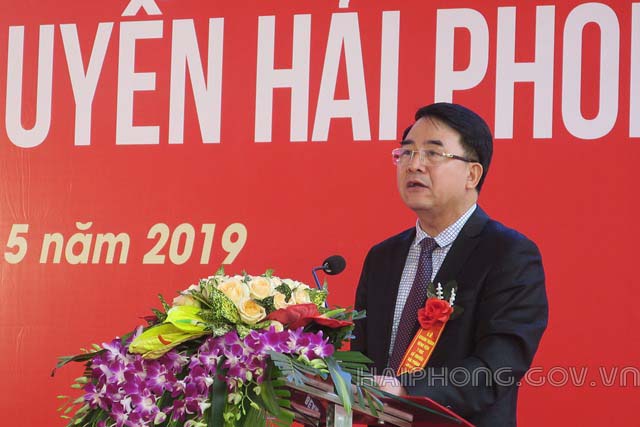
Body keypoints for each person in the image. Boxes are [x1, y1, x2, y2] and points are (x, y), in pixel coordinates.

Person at [352, 102, 548, 427]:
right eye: (406, 152)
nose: (414, 165)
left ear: (472, 174)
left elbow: (497, 367)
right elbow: (362, 361)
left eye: (432, 153)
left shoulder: (509, 255)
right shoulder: (382, 258)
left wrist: (405, 390)